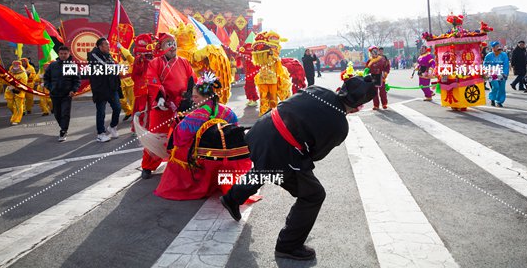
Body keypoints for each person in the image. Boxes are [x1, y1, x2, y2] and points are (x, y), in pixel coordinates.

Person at [220, 74, 376, 261]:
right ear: (358, 107)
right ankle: (289, 245)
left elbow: (290, 103)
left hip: (261, 129)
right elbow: (315, 155)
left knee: (268, 165)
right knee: (313, 194)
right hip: (279, 146)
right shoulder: (340, 126)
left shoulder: (317, 89)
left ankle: (232, 198)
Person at [155, 73, 251, 200]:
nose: (192, 99)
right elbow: (234, 129)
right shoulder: (227, 111)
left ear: (205, 98)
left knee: (178, 150)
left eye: (195, 96)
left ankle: (189, 182)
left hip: (206, 157)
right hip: (226, 154)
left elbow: (180, 138)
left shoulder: (197, 115)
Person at [142, 32, 196, 179]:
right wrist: (159, 97)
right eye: (169, 44)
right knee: (156, 135)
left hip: (182, 105)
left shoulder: (184, 62)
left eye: (174, 44)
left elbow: (192, 79)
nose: (173, 47)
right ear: (161, 46)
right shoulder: (156, 63)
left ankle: (182, 163)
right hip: (162, 105)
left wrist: (190, 95)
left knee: (184, 136)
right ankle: (148, 165)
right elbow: (152, 80)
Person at [87, 38, 122, 143]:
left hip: (111, 87)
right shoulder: (93, 55)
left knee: (117, 108)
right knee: (101, 112)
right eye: (106, 45)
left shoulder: (108, 55)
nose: (108, 46)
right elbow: (107, 67)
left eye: (108, 44)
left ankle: (112, 126)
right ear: (100, 46)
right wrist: (116, 67)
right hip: (100, 88)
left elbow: (114, 67)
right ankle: (100, 134)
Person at [44, 46, 80, 142]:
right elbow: (46, 78)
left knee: (65, 113)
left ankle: (63, 130)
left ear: (68, 54)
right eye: (61, 54)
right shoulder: (53, 65)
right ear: (58, 54)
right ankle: (63, 126)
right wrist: (50, 87)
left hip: (66, 95)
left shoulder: (71, 66)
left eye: (65, 54)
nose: (63, 55)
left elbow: (76, 81)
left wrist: (73, 90)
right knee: (57, 113)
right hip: (54, 94)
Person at [484, 41, 509, 107]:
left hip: (501, 73)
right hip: (492, 73)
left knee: (501, 88)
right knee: (496, 86)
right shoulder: (489, 55)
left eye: (499, 46)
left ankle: (499, 101)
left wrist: (505, 73)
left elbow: (506, 65)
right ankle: (492, 98)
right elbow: (485, 64)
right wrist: (487, 71)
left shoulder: (504, 55)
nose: (498, 48)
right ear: (493, 48)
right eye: (496, 46)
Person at [5, 60, 27, 125]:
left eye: (17, 64)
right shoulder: (10, 72)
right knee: (10, 105)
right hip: (9, 91)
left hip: (19, 91)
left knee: (18, 106)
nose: (15, 66)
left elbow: (23, 83)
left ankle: (16, 119)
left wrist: (15, 88)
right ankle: (15, 114)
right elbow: (6, 81)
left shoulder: (23, 73)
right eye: (14, 64)